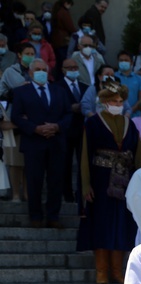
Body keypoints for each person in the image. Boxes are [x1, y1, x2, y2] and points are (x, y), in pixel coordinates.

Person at [77, 81, 141, 283]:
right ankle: (101, 271)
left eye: (120, 101)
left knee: (122, 225)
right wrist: (85, 185)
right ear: (105, 102)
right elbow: (84, 156)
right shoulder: (93, 123)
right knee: (101, 224)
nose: (118, 104)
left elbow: (139, 155)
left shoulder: (129, 124)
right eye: (114, 101)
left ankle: (117, 270)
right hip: (100, 181)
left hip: (125, 181)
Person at [11, 58, 71, 228]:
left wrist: (57, 126)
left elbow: (68, 114)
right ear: (30, 73)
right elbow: (16, 116)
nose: (41, 72)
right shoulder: (21, 92)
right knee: (34, 181)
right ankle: (35, 216)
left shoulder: (59, 91)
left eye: (44, 69)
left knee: (56, 181)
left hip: (56, 142)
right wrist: (34, 128)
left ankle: (53, 216)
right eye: (37, 69)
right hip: (33, 143)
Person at [0, 42, 37, 203]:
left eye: (32, 53)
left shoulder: (36, 71)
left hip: (31, 120)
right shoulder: (11, 71)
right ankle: (15, 194)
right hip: (12, 120)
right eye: (27, 53)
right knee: (15, 161)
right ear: (20, 55)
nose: (30, 56)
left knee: (27, 161)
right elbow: (24, 90)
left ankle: (27, 193)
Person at [55, 58, 88, 203]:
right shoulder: (57, 86)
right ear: (63, 70)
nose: (73, 70)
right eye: (70, 67)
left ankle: (81, 191)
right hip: (65, 130)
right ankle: (66, 193)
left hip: (82, 129)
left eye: (75, 67)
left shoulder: (85, 86)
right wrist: (70, 108)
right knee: (65, 163)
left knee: (82, 163)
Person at [115, 50, 141, 114]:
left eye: (126, 60)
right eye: (121, 60)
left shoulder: (139, 79)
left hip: (135, 116)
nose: (123, 62)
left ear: (131, 62)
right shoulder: (113, 77)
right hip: (115, 114)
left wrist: (130, 111)